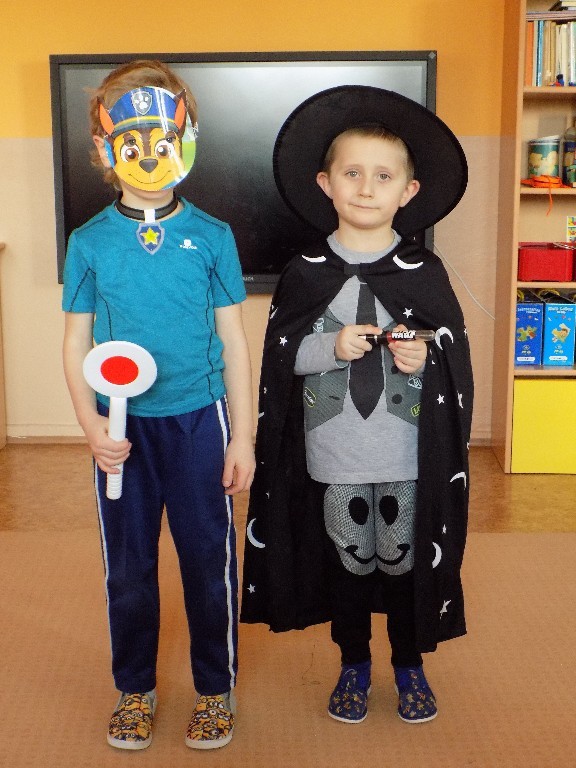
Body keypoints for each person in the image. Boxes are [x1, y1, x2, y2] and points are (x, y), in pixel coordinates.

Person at [241, 85, 473, 725]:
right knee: (347, 560)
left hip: (405, 455)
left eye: (383, 177)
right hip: (333, 453)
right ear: (326, 183)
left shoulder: (425, 272)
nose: (366, 189)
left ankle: (409, 665)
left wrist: (423, 357)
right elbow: (282, 358)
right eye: (352, 174)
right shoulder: (305, 271)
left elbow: (450, 357)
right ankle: (353, 664)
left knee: (402, 561)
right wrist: (331, 346)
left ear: (409, 191)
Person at [62, 59, 255, 751]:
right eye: (131, 141)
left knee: (208, 560)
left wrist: (242, 437)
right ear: (104, 149)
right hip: (122, 430)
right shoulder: (89, 242)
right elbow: (76, 341)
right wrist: (90, 425)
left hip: (200, 419)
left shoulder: (213, 236)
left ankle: (215, 689)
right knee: (128, 566)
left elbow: (235, 340)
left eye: (164, 138)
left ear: (187, 139)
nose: (149, 156)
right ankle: (135, 689)